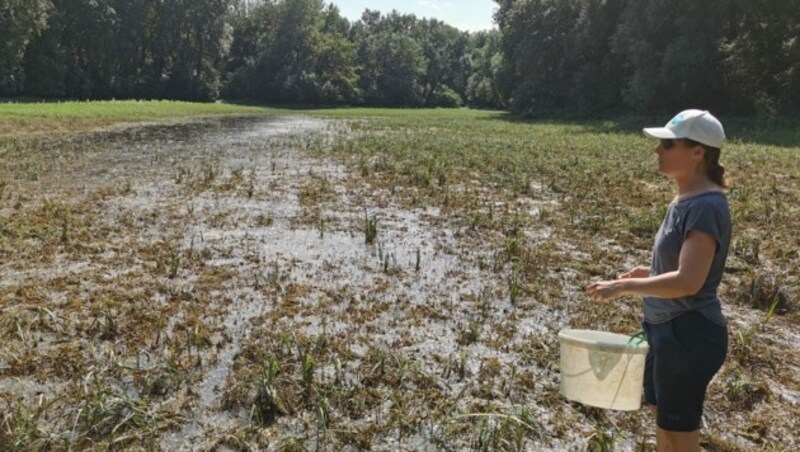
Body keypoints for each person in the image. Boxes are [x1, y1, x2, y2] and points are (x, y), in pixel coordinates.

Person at [586, 109, 731, 452]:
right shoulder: (684, 200)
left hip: (689, 334)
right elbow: (681, 270)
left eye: (668, 144)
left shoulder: (706, 207)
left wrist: (623, 286)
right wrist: (647, 275)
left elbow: (688, 282)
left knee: (678, 439)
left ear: (698, 152)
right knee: (665, 424)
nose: (658, 150)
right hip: (665, 329)